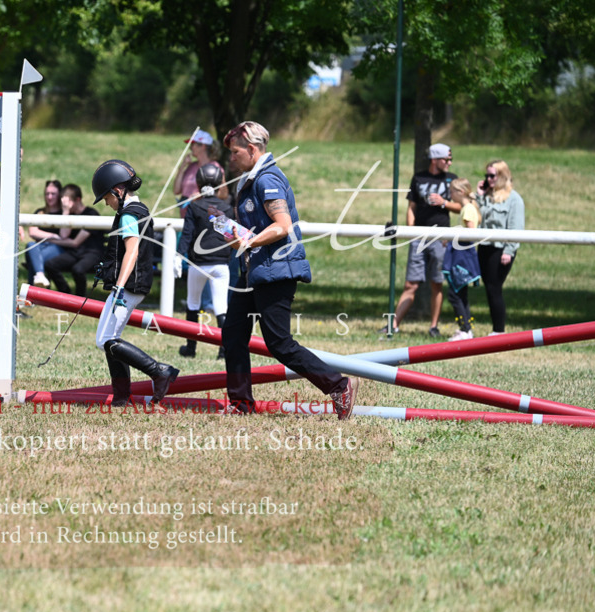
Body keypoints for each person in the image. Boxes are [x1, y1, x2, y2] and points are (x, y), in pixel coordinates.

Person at [219, 121, 359, 419]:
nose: (230, 158)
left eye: (234, 152)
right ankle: (241, 404)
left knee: (280, 343)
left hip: (276, 271)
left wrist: (250, 240)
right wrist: (236, 237)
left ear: (252, 150)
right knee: (232, 335)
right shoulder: (252, 178)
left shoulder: (267, 179)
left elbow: (282, 226)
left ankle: (339, 385)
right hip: (255, 271)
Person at [92, 159, 179, 407]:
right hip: (129, 283)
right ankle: (121, 398)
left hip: (128, 285)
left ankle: (159, 372)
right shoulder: (134, 210)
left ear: (117, 191)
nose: (107, 203)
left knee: (106, 340)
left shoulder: (130, 214)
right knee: (109, 338)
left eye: (106, 198)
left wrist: (119, 286)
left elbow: (132, 251)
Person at [385, 143, 457, 336]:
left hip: (441, 237)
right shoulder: (419, 178)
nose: (449, 163)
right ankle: (393, 325)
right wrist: (411, 231)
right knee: (411, 284)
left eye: (450, 159)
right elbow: (411, 207)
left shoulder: (452, 180)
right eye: (446, 159)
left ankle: (433, 327)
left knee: (436, 282)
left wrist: (444, 203)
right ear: (435, 160)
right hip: (419, 236)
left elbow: (463, 207)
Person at [175, 163, 234, 359]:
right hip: (221, 265)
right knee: (221, 308)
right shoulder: (227, 208)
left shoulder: (194, 206)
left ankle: (190, 348)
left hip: (198, 264)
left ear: (199, 183)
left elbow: (187, 234)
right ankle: (224, 351)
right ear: (219, 184)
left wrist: (179, 255)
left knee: (193, 304)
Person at [476, 160, 525, 335]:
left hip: (501, 250)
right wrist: (480, 195)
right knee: (489, 287)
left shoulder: (514, 199)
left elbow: (516, 228)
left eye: (492, 175)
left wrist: (509, 251)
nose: (489, 179)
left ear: (502, 176)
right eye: (487, 175)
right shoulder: (488, 196)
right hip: (484, 247)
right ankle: (496, 329)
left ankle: (499, 330)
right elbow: (478, 217)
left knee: (494, 287)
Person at [42, 183, 102, 297]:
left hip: (92, 254)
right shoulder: (70, 215)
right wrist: (65, 212)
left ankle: (79, 299)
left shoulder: (91, 214)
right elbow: (64, 236)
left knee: (78, 269)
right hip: (76, 253)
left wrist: (51, 240)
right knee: (50, 264)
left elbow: (75, 243)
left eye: (68, 202)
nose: (66, 206)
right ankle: (66, 294)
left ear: (78, 199)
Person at [442, 178, 482, 341]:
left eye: (452, 191)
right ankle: (466, 328)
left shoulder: (467, 209)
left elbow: (470, 232)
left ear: (460, 192)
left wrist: (453, 237)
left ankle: (465, 329)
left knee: (455, 294)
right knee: (460, 293)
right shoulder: (468, 208)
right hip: (461, 254)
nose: (450, 195)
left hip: (462, 256)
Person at [25, 179, 63, 287]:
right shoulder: (40, 212)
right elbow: (32, 231)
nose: (49, 197)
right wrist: (53, 236)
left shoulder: (63, 213)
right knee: (31, 245)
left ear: (59, 194)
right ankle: (40, 276)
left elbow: (64, 238)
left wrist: (42, 236)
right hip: (40, 247)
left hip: (58, 249)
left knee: (34, 256)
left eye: (53, 194)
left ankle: (31, 289)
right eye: (47, 194)